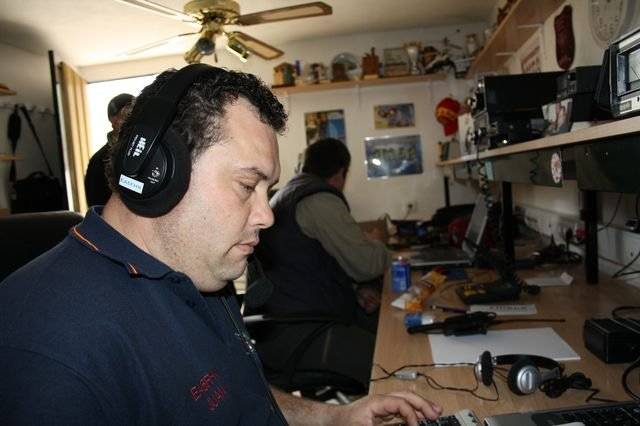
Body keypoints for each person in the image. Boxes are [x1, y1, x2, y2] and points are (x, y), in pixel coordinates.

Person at [0, 65, 441, 425]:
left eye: (268, 191)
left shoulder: (201, 270)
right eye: (248, 185)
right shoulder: (48, 352)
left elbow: (238, 395)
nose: (267, 215)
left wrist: (334, 418)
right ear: (160, 171)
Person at [252, 137, 390, 390]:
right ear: (339, 174)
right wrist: (379, 242)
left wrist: (355, 290)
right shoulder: (319, 200)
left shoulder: (287, 194)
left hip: (281, 327)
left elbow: (305, 266)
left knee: (384, 326)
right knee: (394, 356)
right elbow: (367, 264)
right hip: (305, 332)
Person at [84, 92, 134, 206]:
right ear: (113, 121)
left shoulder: (143, 149)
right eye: (128, 114)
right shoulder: (99, 160)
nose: (133, 119)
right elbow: (96, 205)